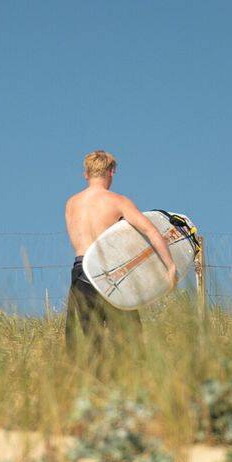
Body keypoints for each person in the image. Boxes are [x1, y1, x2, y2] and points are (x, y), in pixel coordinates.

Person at [64, 150, 178, 350]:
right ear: (111, 172)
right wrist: (170, 266)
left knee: (90, 343)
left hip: (80, 274)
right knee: (130, 341)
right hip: (110, 274)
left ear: (86, 174)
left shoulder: (71, 204)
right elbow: (151, 231)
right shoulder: (118, 201)